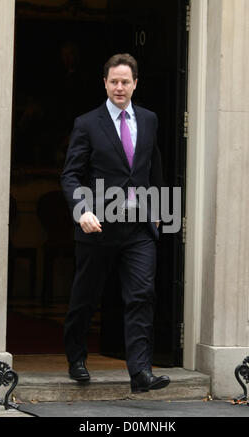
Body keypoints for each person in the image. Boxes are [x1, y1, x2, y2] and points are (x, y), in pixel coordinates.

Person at [61, 53, 170, 393]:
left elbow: (153, 167)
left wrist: (158, 207)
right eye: (114, 82)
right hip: (99, 225)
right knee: (86, 296)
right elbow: (71, 174)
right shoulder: (87, 123)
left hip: (138, 228)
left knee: (141, 295)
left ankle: (140, 373)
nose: (119, 87)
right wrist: (83, 211)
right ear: (104, 83)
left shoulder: (150, 120)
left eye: (125, 81)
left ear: (135, 83)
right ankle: (76, 359)